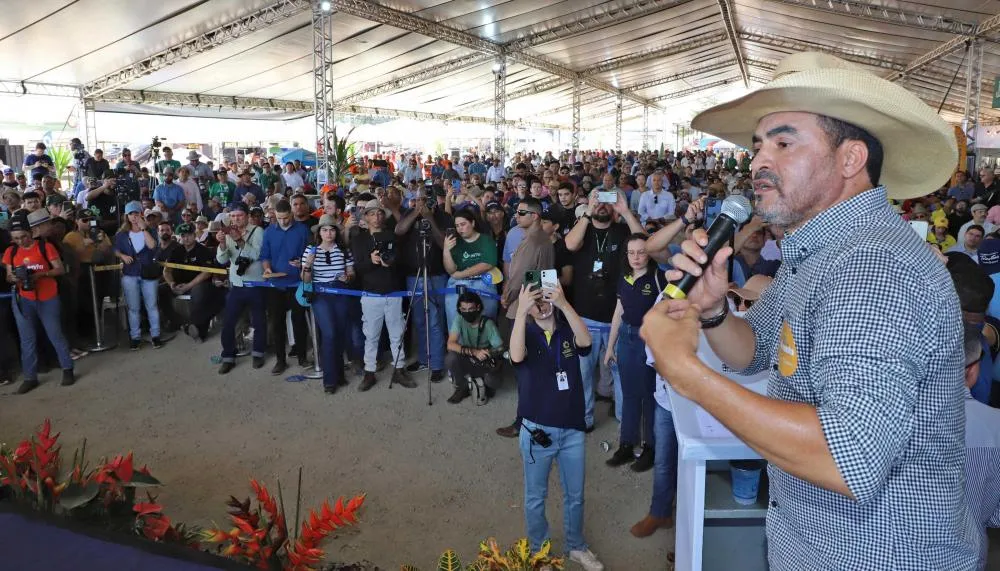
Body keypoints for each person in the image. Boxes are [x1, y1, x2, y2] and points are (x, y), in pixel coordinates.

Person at [644, 51, 980, 569]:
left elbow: (846, 458)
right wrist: (711, 311)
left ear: (850, 160)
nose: (757, 162)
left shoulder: (872, 266)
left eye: (783, 142)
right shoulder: (820, 251)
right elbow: (755, 353)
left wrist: (684, 372)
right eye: (757, 147)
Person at [509, 282, 604, 571]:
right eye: (535, 301)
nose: (541, 304)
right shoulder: (525, 333)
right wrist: (522, 310)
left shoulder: (567, 331)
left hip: (572, 428)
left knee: (575, 495)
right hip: (537, 430)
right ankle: (540, 554)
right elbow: (516, 356)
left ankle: (576, 546)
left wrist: (563, 303)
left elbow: (586, 342)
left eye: (545, 298)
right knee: (536, 497)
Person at [563, 189, 645, 431]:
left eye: (607, 202)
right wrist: (588, 211)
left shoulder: (622, 231)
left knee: (621, 376)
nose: (602, 206)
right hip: (584, 317)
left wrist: (625, 211)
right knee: (583, 374)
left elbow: (644, 243)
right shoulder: (583, 227)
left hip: (616, 318)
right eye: (598, 200)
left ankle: (624, 424)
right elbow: (570, 244)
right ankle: (585, 419)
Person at [603, 233, 664, 472]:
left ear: (649, 254)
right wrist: (610, 346)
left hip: (648, 339)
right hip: (626, 339)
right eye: (631, 253)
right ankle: (627, 444)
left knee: (649, 396)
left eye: (641, 252)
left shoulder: (658, 278)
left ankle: (650, 447)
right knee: (628, 395)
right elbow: (619, 312)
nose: (636, 257)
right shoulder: (625, 277)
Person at [2, 213, 76, 394]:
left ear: (31, 232)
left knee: (55, 334)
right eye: (16, 238)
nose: (21, 241)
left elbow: (59, 269)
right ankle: (30, 376)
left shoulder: (45, 247)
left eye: (24, 237)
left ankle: (67, 368)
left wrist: (39, 274)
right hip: (23, 298)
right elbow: (8, 275)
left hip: (47, 296)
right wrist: (14, 277)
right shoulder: (11, 251)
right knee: (27, 339)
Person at [351, 199, 414, 391]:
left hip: (393, 291)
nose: (376, 217)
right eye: (372, 214)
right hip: (371, 293)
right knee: (370, 335)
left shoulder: (391, 236)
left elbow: (400, 262)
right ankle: (369, 372)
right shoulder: (359, 239)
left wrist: (390, 263)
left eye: (379, 213)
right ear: (366, 217)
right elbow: (358, 268)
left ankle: (399, 369)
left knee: (397, 334)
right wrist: (371, 261)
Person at [395, 194, 451, 382]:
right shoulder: (410, 213)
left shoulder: (443, 217)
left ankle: (436, 364)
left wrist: (429, 218)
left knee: (435, 320)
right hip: (414, 275)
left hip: (436, 276)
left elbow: (444, 244)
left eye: (428, 200)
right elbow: (399, 230)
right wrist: (416, 213)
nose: (424, 203)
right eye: (420, 199)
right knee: (419, 320)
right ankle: (423, 358)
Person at [301, 215, 354, 393]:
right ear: (319, 233)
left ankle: (338, 373)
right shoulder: (311, 250)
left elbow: (351, 272)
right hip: (320, 293)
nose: (328, 233)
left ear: (336, 232)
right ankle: (329, 380)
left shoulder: (344, 250)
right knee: (329, 333)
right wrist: (308, 265)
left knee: (339, 333)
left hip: (340, 291)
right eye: (325, 230)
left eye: (332, 229)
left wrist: (347, 277)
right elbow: (305, 279)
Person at [260, 199, 310, 374]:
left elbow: (309, 253)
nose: (283, 221)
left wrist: (302, 263)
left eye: (286, 217)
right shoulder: (268, 232)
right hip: (276, 284)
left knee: (299, 321)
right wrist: (267, 269)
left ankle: (302, 356)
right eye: (279, 218)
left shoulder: (303, 230)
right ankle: (280, 359)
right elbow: (264, 256)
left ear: (291, 214)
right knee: (276, 323)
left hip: (297, 283)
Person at [216, 203, 267, 374]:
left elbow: (258, 255)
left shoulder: (258, 231)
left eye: (240, 215)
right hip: (236, 284)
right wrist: (223, 243)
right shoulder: (227, 232)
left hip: (256, 283)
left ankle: (258, 353)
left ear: (247, 216)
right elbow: (222, 260)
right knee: (228, 322)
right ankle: (228, 356)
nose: (236, 219)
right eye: (233, 216)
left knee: (259, 320)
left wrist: (239, 239)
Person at [163, 223, 225, 342]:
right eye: (183, 235)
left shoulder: (203, 250)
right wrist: (172, 284)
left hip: (199, 285)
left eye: (189, 235)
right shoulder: (176, 251)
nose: (186, 238)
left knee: (200, 293)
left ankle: (198, 328)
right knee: (160, 291)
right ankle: (182, 324)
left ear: (195, 235)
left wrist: (188, 286)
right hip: (179, 284)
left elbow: (206, 273)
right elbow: (166, 270)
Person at [114, 201, 163, 350]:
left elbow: (152, 246)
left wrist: (144, 229)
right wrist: (122, 256)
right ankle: (135, 337)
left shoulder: (150, 230)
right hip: (130, 273)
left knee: (152, 305)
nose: (134, 217)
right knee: (133, 308)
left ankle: (155, 335)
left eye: (136, 213)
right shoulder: (121, 234)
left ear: (141, 214)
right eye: (131, 214)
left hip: (148, 272)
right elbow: (115, 249)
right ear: (127, 216)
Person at [443, 208, 500, 328]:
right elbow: (450, 270)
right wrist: (446, 250)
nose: (460, 229)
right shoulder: (455, 242)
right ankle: (457, 346)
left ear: (473, 223)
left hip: (483, 281)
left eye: (463, 224)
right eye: (457, 226)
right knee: (455, 322)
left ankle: (486, 346)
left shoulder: (486, 240)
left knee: (486, 322)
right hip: (458, 283)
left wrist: (461, 274)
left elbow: (488, 263)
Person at [444, 291, 504, 404]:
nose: (467, 312)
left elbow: (501, 348)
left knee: (492, 383)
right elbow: (450, 344)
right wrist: (474, 352)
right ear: (459, 309)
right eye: (464, 309)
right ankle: (462, 387)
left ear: (478, 307)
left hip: (485, 361)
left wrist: (489, 353)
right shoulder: (459, 319)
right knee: (450, 358)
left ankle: (486, 385)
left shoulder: (488, 324)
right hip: (470, 357)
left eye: (471, 309)